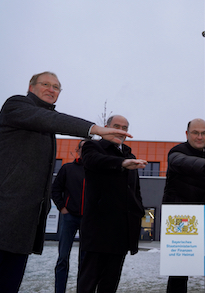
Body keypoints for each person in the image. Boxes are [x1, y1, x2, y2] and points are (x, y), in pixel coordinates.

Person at [0, 71, 130, 293]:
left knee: (6, 287)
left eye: (57, 87)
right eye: (46, 84)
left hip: (23, 225)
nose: (52, 89)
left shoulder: (45, 123)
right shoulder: (16, 105)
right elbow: (51, 119)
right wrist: (95, 129)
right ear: (31, 87)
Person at [77, 115, 147, 293]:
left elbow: (135, 189)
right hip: (98, 228)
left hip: (122, 229)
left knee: (110, 282)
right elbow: (95, 161)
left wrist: (138, 209)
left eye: (124, 128)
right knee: (88, 280)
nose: (120, 131)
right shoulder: (93, 146)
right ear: (106, 127)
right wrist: (122, 163)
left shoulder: (129, 153)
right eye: (116, 126)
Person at [162, 118, 205, 293]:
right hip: (180, 220)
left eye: (204, 133)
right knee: (179, 271)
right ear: (187, 134)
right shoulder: (176, 152)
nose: (200, 137)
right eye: (195, 133)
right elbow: (185, 163)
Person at [51, 139, 86, 293]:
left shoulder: (96, 172)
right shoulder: (67, 168)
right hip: (69, 217)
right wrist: (62, 207)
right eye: (83, 148)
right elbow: (55, 190)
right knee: (63, 258)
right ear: (77, 150)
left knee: (85, 261)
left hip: (88, 221)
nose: (86, 151)